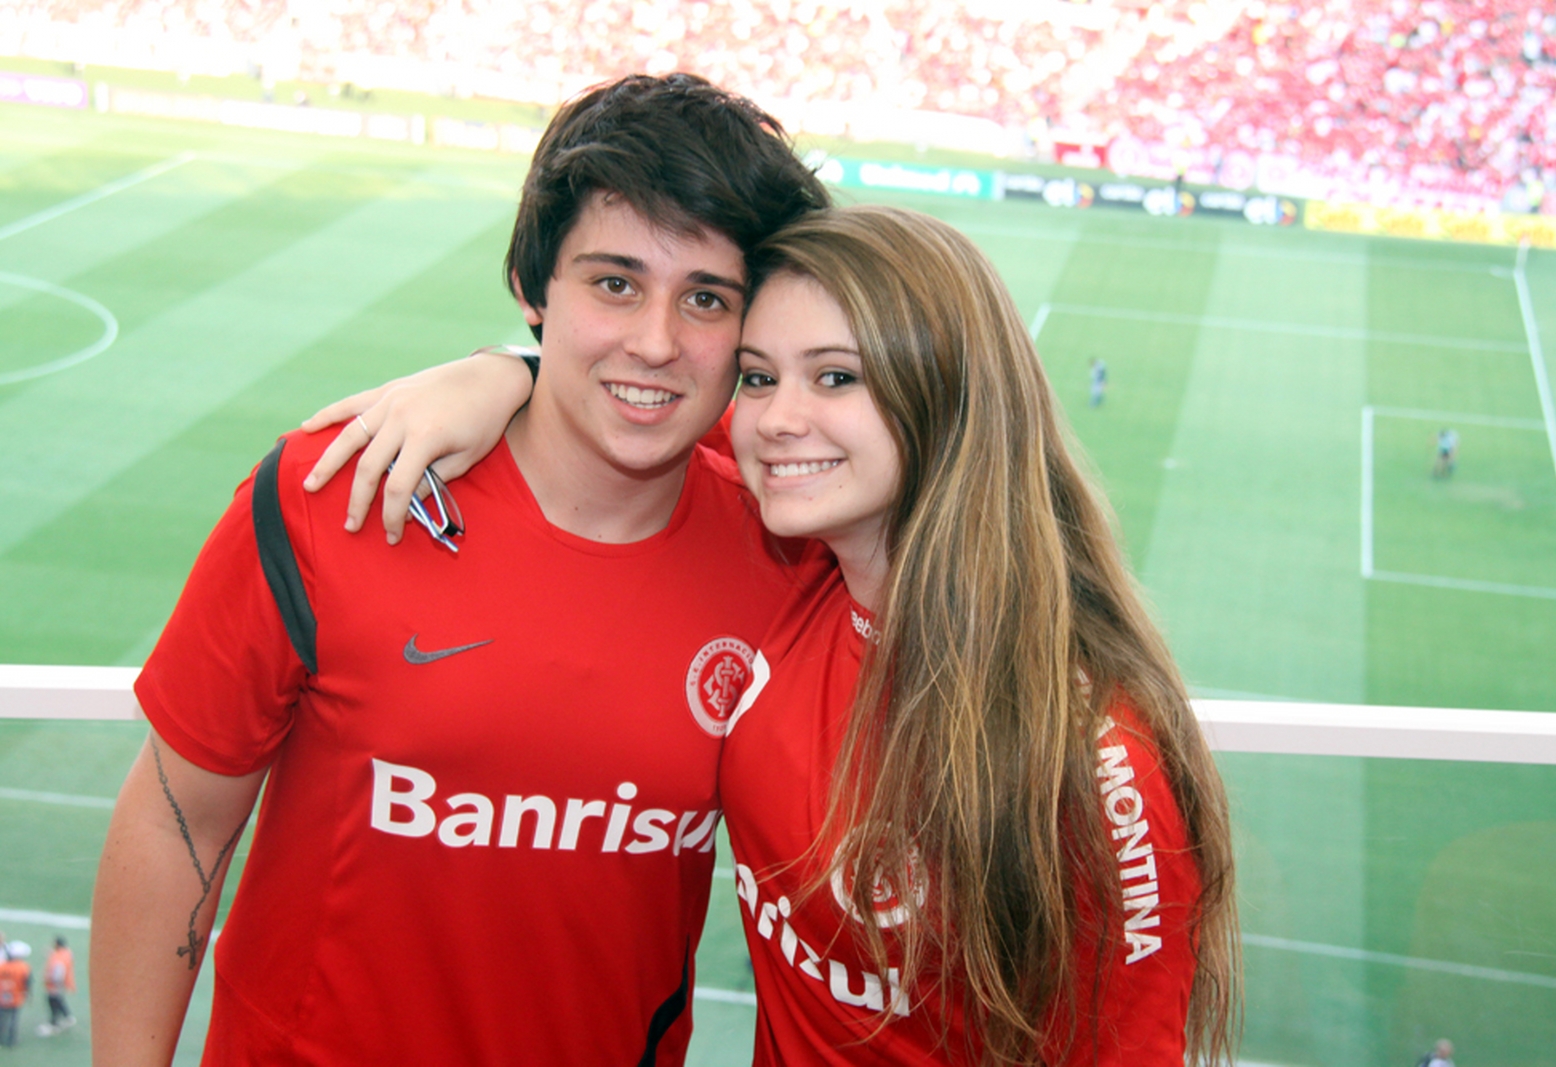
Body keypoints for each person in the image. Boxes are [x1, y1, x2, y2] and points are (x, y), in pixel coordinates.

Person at [313, 205, 1238, 1064]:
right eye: (757, 377)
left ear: (947, 396)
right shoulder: (802, 563)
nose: (778, 419)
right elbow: (632, 396)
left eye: (836, 376)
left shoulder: (1093, 753)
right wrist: (502, 372)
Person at [91, 72, 829, 1066]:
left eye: (706, 299)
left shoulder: (791, 552)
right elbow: (179, 819)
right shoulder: (333, 493)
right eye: (614, 283)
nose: (656, 342)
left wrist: (505, 370)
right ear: (533, 288)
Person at [38, 937, 74, 1036]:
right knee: (59, 1001)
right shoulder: (66, 953)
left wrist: (53, 982)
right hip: (62, 984)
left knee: (53, 1003)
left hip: (55, 985)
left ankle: (54, 1024)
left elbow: (58, 971)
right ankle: (68, 1017)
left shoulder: (58, 959)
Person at [0, 943, 29, 1048]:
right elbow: (27, 982)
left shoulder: (2, 966)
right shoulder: (23, 967)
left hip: (2, 996)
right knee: (13, 1019)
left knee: (2, 1018)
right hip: (16, 996)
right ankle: (12, 1040)